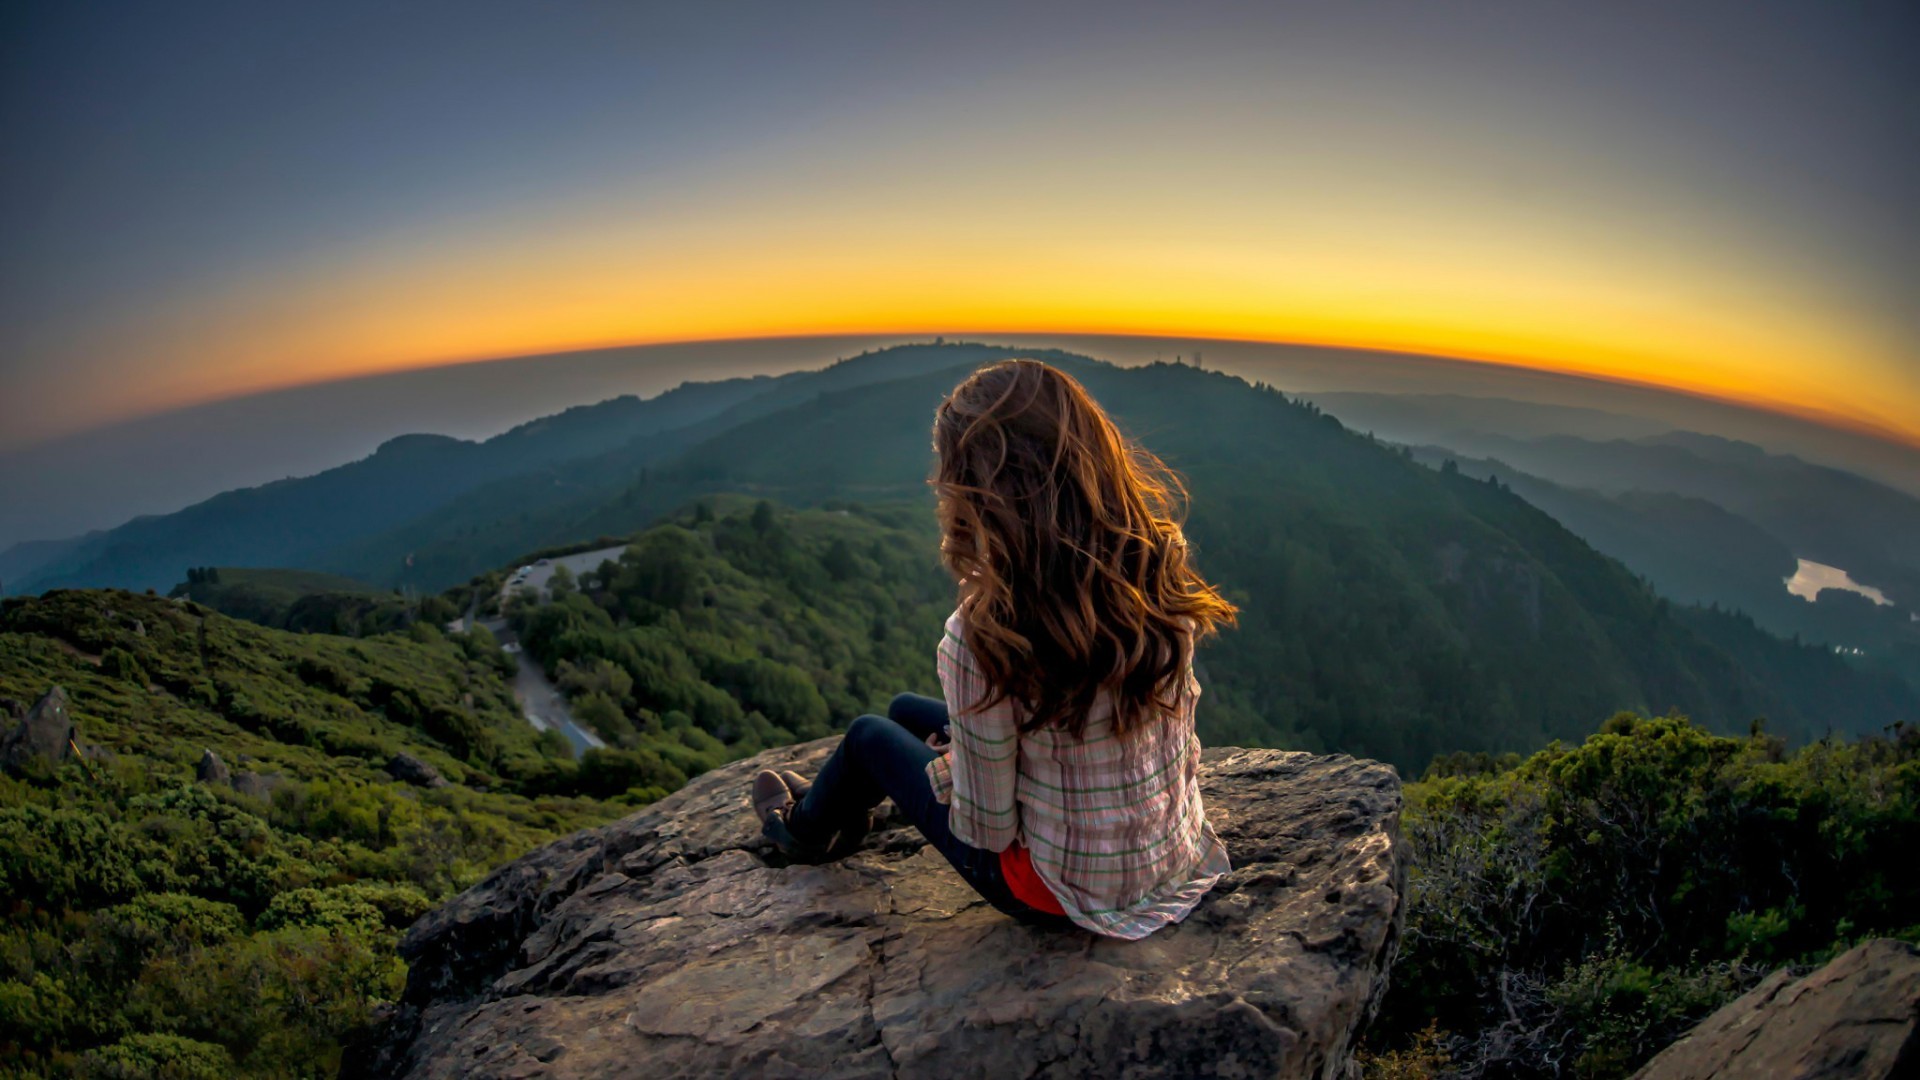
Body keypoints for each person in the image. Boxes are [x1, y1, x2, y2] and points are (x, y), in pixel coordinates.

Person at [750, 358, 1238, 939]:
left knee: (869, 737)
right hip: (1169, 858)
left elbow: (986, 830)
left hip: (1056, 889)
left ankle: (802, 830)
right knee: (908, 709)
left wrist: (956, 771)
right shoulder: (1155, 567)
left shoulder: (983, 636)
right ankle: (844, 802)